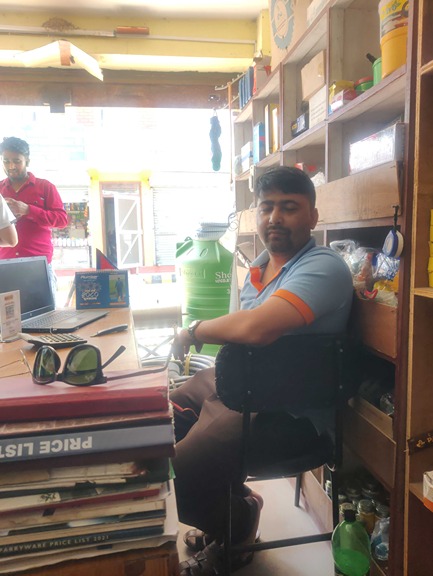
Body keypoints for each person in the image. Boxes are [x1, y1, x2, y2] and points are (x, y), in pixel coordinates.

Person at [171, 166, 354, 575]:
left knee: (173, 476)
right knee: (160, 422)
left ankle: (236, 530)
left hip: (289, 413)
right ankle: (233, 507)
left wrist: (194, 330)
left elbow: (255, 328)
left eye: (289, 207)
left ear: (313, 217)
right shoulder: (258, 266)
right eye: (266, 207)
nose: (275, 217)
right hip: (241, 390)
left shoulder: (324, 267)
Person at [0, 137, 68, 300]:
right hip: (5, 265)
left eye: (17, 161)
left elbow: (62, 220)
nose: (11, 166)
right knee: (7, 315)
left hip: (39, 265)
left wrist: (29, 210)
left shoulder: (45, 187)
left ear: (27, 161)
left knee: (45, 313)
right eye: (6, 161)